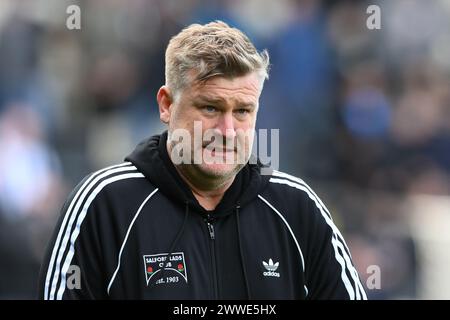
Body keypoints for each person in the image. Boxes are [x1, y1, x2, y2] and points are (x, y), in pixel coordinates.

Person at [38, 21, 367, 300]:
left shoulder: (298, 209)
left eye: (242, 111)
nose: (226, 130)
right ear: (167, 105)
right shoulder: (103, 205)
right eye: (210, 107)